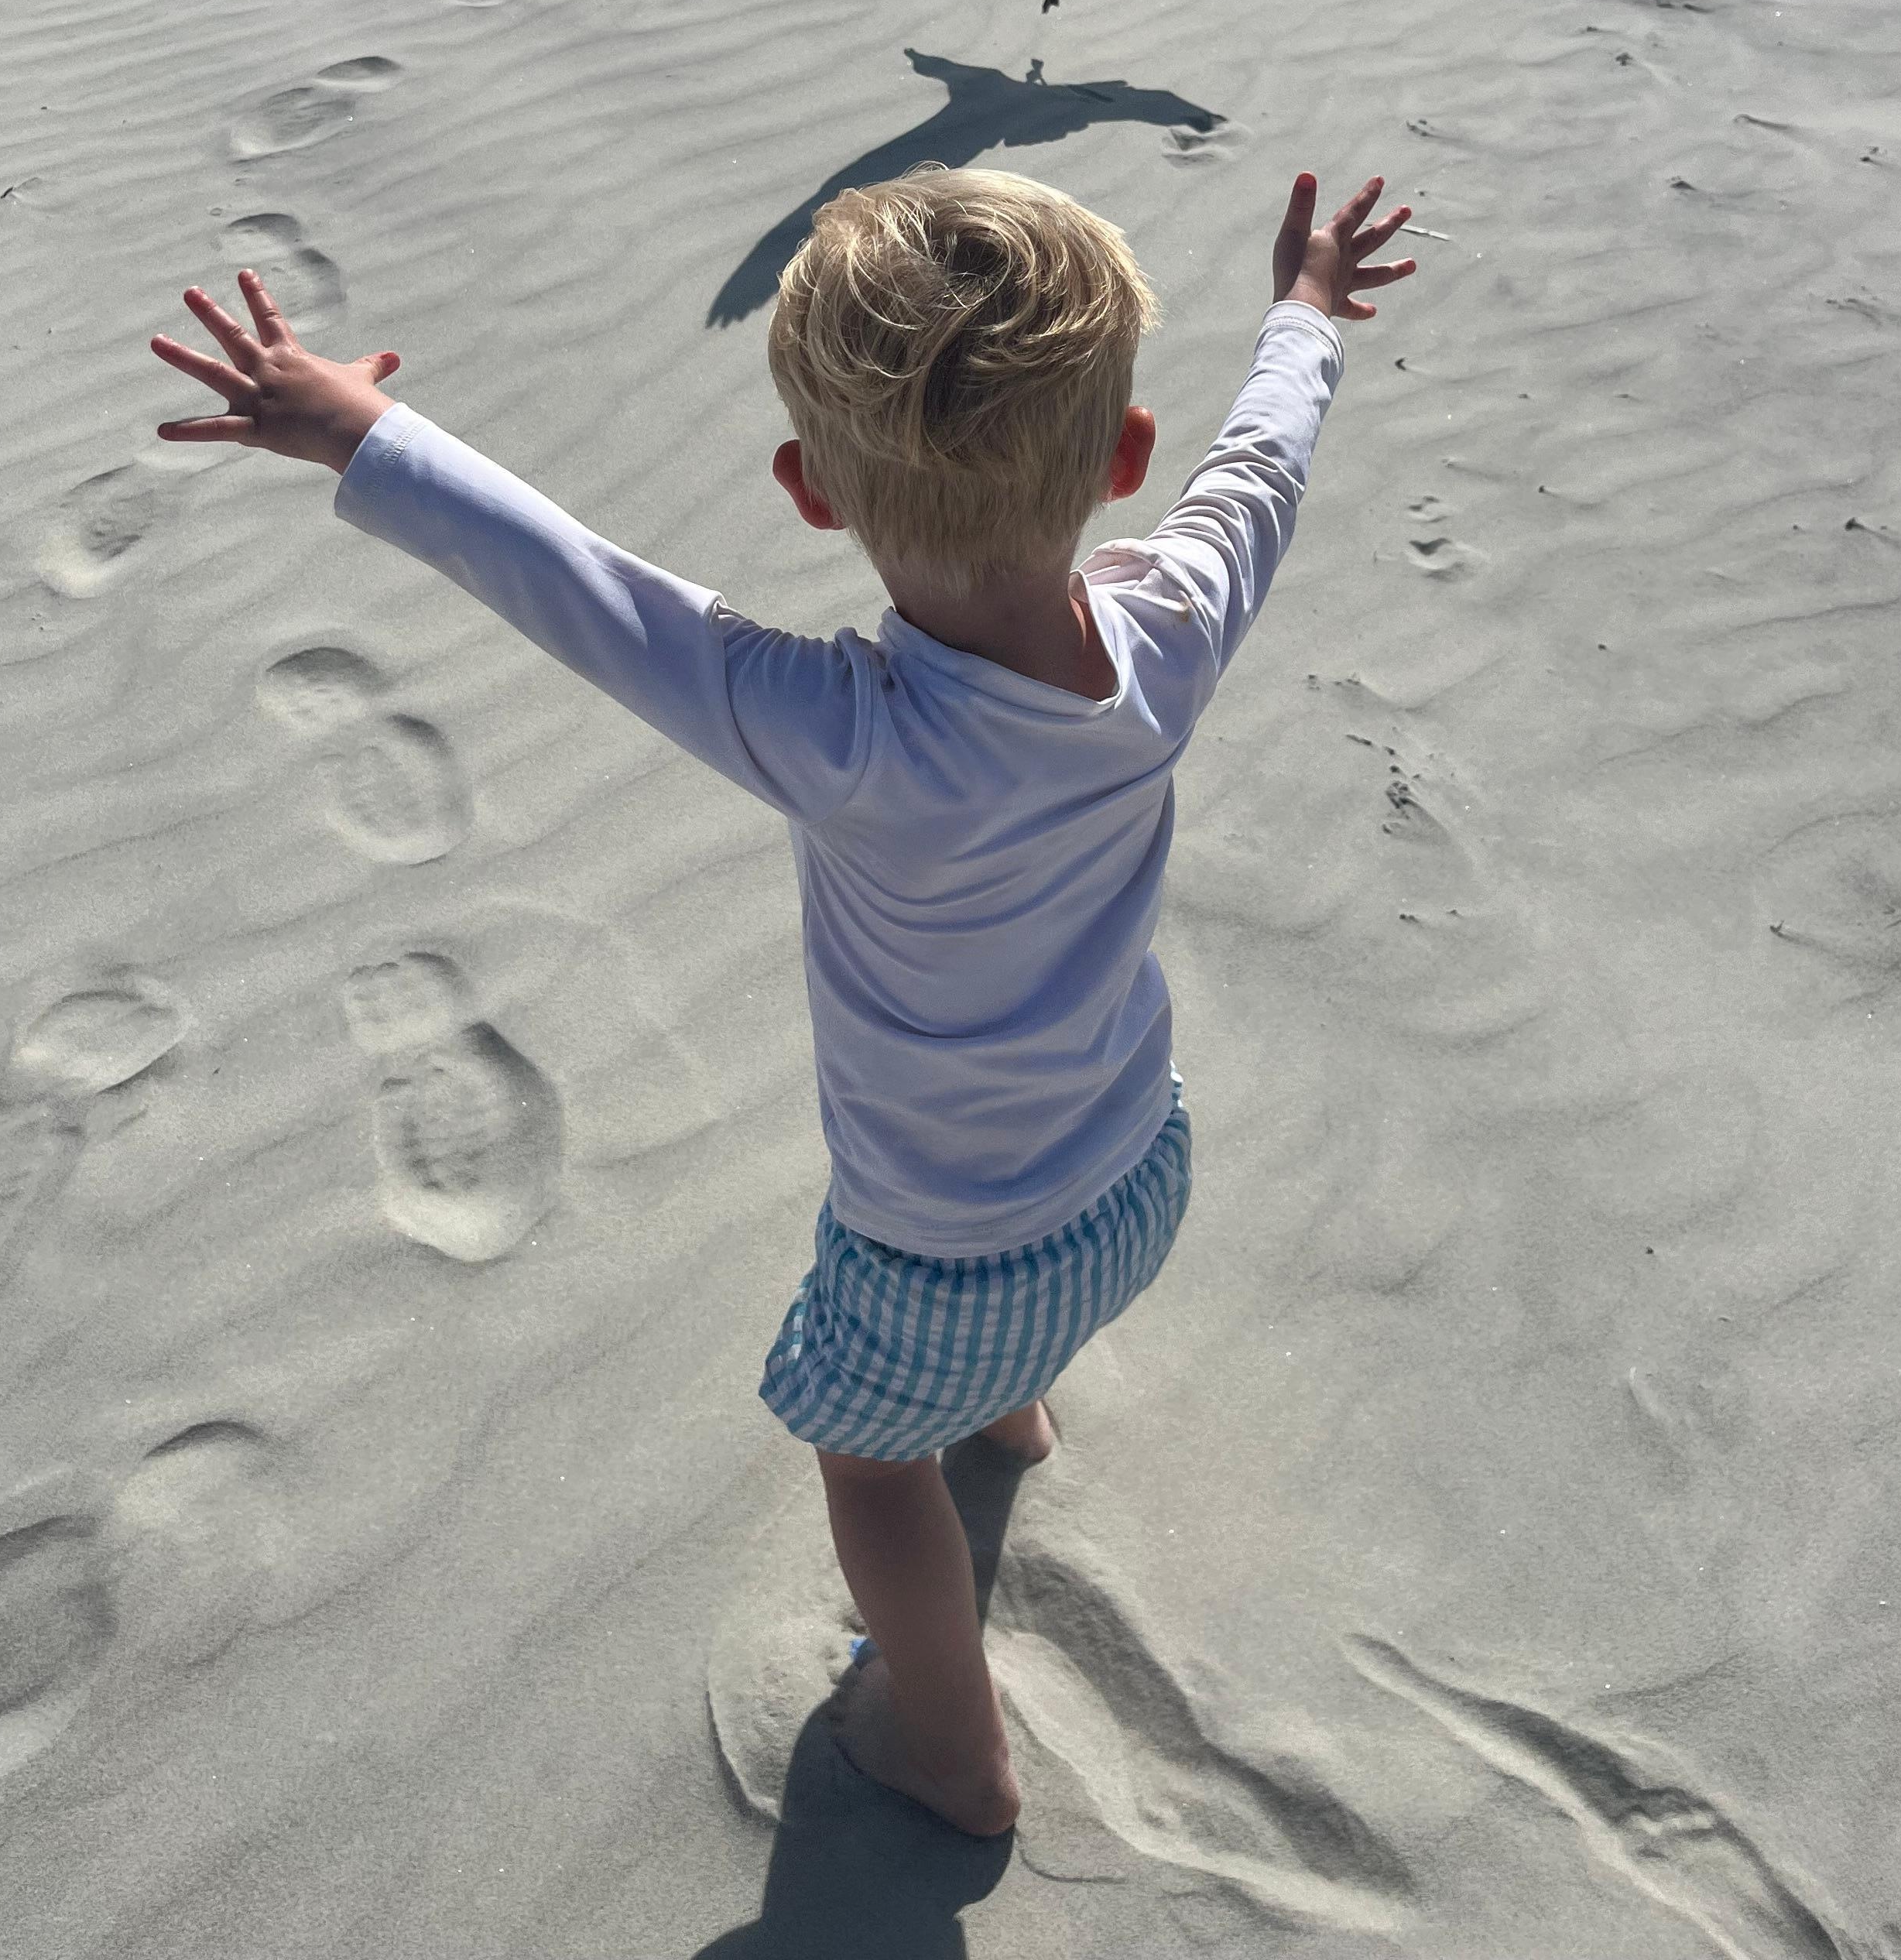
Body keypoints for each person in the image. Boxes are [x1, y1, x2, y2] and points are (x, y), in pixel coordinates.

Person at [149, 162, 1413, 1835]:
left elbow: (581, 588)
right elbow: (1262, 463)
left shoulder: (839, 733)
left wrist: (353, 433)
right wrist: (1308, 310)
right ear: (1120, 459)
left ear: (812, 493)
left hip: (936, 1259)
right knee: (1003, 1329)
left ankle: (954, 1750)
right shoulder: (1174, 627)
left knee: (869, 1460)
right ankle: (1016, 1419)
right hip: (1138, 1175)